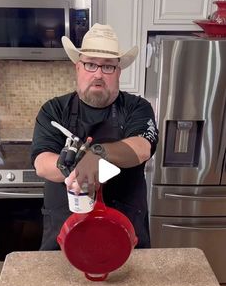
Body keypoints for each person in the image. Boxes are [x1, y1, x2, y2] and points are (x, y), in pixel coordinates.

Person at [31, 23, 158, 250]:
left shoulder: (138, 108)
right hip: (64, 236)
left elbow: (141, 148)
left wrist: (96, 154)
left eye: (108, 67)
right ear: (77, 68)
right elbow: (42, 163)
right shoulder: (53, 110)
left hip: (125, 235)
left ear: (118, 72)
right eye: (91, 64)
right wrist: (73, 169)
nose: (98, 73)